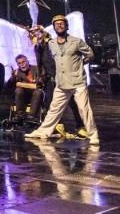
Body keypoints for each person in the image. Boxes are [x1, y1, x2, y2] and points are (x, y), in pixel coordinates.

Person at [26, 15, 99, 144]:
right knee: (54, 109)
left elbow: (90, 54)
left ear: (66, 26)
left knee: (84, 109)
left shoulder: (76, 41)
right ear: (54, 27)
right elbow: (42, 44)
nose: (59, 25)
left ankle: (93, 135)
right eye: (56, 24)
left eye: (62, 23)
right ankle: (43, 132)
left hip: (77, 82)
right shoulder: (52, 44)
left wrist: (81, 63)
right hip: (61, 82)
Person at [30, 25, 86, 138]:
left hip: (63, 77)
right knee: (50, 105)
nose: (36, 36)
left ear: (43, 33)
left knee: (72, 103)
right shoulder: (37, 48)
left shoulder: (52, 43)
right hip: (50, 79)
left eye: (38, 33)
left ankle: (81, 126)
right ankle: (56, 126)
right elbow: (40, 63)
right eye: (34, 35)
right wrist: (41, 76)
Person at [10, 54, 44, 123]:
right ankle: (20, 116)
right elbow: (9, 86)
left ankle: (31, 117)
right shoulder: (17, 72)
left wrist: (39, 80)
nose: (22, 65)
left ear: (27, 61)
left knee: (38, 92)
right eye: (19, 63)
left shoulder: (36, 69)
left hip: (35, 95)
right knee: (18, 90)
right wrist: (13, 77)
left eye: (23, 62)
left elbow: (44, 79)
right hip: (23, 97)